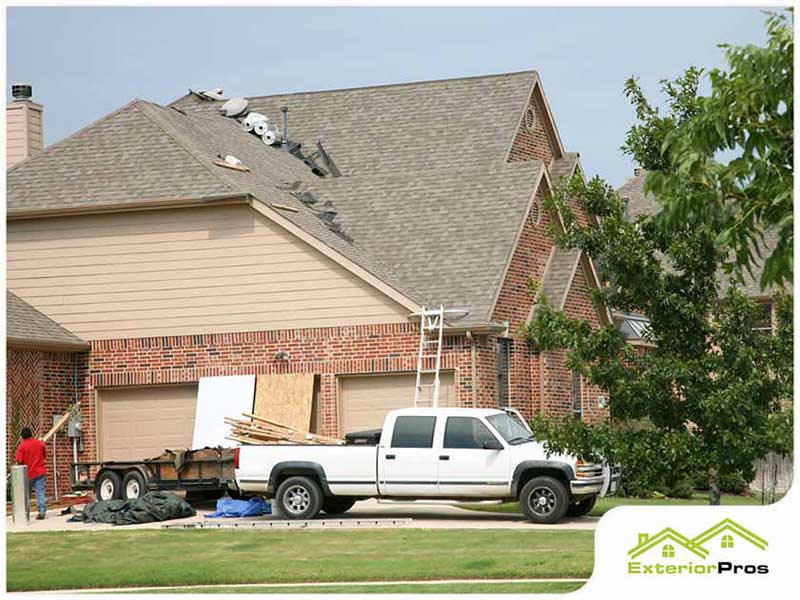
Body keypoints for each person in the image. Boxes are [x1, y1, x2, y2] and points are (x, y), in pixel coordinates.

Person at [15, 427, 47, 519]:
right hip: (40, 471)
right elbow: (44, 455)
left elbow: (19, 460)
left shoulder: (22, 446)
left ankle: (24, 512)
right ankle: (41, 511)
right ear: (31, 434)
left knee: (25, 494)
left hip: (28, 473)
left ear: (22, 436)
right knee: (40, 492)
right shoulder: (40, 444)